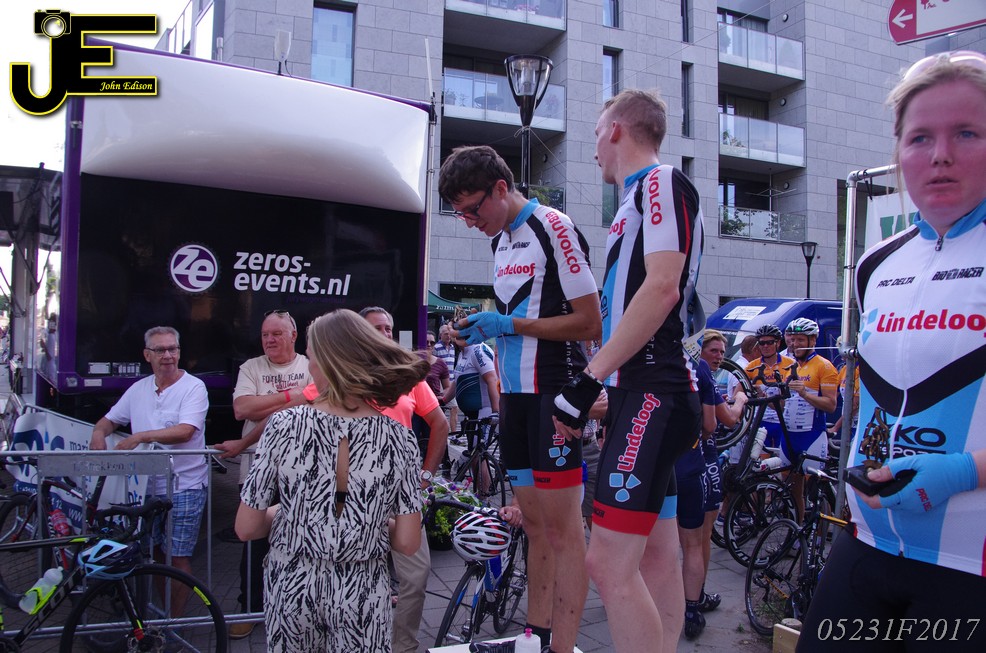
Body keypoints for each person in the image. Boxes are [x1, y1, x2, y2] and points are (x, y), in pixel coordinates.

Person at [799, 51, 986, 652]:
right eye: (920, 137)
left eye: (967, 133)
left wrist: (962, 471)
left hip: (971, 562)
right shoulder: (877, 264)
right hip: (869, 542)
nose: (940, 155)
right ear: (899, 151)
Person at [552, 89, 704, 653]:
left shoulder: (659, 182)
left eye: (596, 132)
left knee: (608, 564)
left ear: (616, 128)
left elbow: (663, 288)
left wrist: (587, 379)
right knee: (656, 558)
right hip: (643, 394)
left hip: (652, 393)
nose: (594, 146)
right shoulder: (634, 199)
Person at [439, 144, 601, 653]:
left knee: (564, 532)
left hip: (552, 393)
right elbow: (517, 317)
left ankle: (562, 646)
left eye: (472, 209)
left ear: (501, 188)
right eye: (460, 213)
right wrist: (476, 330)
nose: (469, 222)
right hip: (513, 397)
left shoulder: (554, 226)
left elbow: (590, 322)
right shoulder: (501, 240)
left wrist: (508, 324)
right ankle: (537, 635)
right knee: (533, 526)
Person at [235, 310, 426, 653]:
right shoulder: (400, 437)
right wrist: (365, 519)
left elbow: (247, 527)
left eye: (311, 357)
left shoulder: (283, 426)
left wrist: (292, 511)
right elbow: (408, 542)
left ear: (327, 362)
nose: (308, 366)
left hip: (292, 587)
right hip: (363, 592)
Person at [90, 326, 209, 609]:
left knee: (177, 557)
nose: (167, 355)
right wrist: (98, 433)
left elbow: (185, 431)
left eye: (172, 349)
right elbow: (110, 420)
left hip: (184, 487)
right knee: (155, 554)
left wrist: (141, 437)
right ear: (147, 355)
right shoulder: (138, 389)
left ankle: (174, 623)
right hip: (145, 488)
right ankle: (163, 611)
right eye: (160, 350)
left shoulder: (194, 387)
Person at [214, 310, 313, 639]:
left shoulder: (311, 366)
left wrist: (267, 403)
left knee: (302, 540)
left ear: (293, 335)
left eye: (276, 334)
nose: (269, 340)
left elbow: (311, 405)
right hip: (258, 469)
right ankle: (250, 608)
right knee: (254, 542)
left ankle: (300, 607)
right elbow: (242, 409)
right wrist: (291, 397)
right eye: (265, 335)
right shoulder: (251, 367)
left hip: (303, 470)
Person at [358, 306, 448, 653]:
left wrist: (426, 475)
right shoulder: (344, 372)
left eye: (388, 328)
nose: (384, 334)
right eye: (376, 328)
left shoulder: (408, 375)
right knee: (361, 575)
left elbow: (440, 423)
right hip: (356, 492)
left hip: (402, 491)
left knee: (416, 574)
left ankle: (403, 645)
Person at [779, 318, 838, 521]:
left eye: (800, 340)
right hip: (789, 436)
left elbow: (831, 405)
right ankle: (796, 529)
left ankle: (820, 536)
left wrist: (804, 393)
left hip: (811, 436)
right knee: (791, 489)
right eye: (792, 339)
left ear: (813, 340)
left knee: (816, 490)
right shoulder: (790, 367)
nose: (795, 344)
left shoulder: (824, 366)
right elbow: (784, 405)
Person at [434, 324, 459, 429]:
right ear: (440, 335)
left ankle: (453, 434)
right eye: (445, 334)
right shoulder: (436, 348)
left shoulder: (453, 347)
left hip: (451, 382)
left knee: (454, 407)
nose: (448, 336)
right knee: (441, 409)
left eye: (449, 334)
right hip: (440, 383)